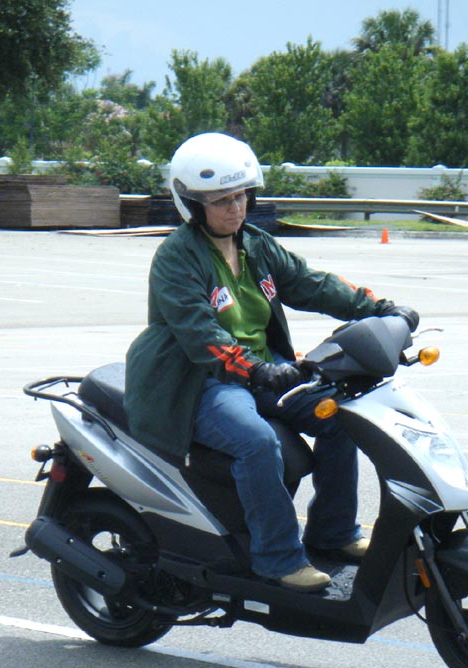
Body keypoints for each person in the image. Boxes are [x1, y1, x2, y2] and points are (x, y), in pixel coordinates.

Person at [123, 133, 419, 592]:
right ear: (193, 204)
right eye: (221, 200)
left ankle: (334, 532)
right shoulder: (177, 259)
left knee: (341, 417)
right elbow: (200, 334)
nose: (235, 208)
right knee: (258, 442)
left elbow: (313, 284)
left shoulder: (255, 245)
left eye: (241, 195)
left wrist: (380, 309)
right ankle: (277, 559)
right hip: (202, 381)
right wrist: (257, 370)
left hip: (264, 370)